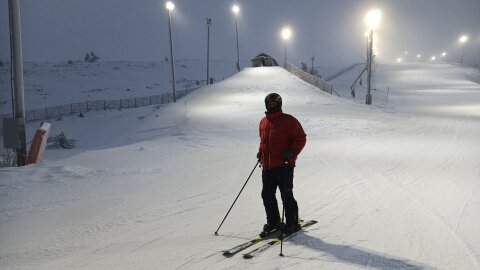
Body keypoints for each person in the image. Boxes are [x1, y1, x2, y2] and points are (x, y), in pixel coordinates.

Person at [257, 93, 306, 237]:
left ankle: (292, 223)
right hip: (267, 166)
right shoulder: (263, 122)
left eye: (273, 103)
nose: (271, 105)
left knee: (286, 194)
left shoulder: (289, 121)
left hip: (284, 164)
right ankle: (274, 222)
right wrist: (261, 153)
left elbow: (301, 138)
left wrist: (292, 152)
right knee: (266, 195)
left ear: (279, 104)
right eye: (269, 103)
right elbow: (264, 142)